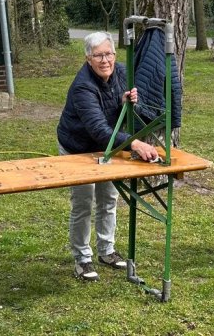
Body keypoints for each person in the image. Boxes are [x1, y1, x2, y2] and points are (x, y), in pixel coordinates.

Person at [57, 31, 159, 281]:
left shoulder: (121, 72)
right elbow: (99, 129)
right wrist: (135, 144)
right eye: (98, 55)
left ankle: (107, 251)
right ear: (88, 58)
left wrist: (125, 101)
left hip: (107, 147)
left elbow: (114, 107)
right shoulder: (82, 87)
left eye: (109, 54)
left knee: (109, 198)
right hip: (78, 148)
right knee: (83, 202)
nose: (105, 60)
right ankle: (82, 259)